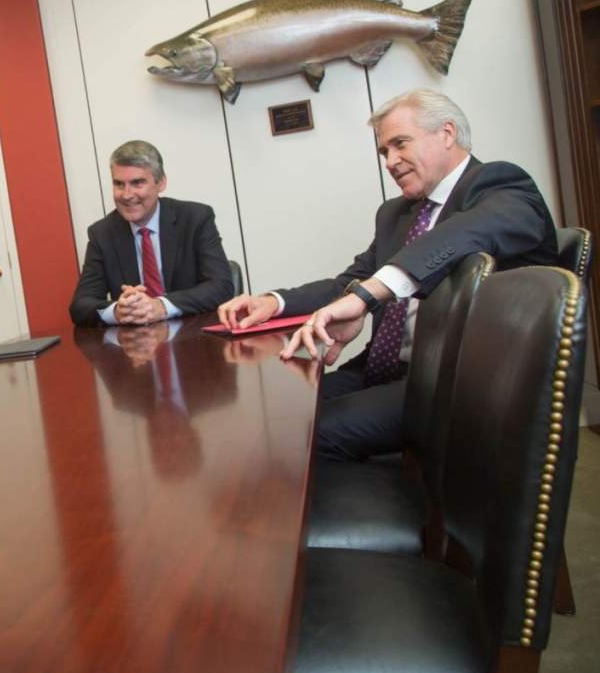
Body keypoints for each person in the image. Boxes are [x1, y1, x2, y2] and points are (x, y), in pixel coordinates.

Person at [217, 89, 557, 461]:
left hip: (457, 386)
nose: (391, 161)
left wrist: (370, 294)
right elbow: (347, 282)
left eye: (400, 144)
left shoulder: (498, 184)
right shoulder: (396, 214)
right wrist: (273, 301)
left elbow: (465, 233)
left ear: (446, 133)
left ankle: (357, 519)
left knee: (305, 435)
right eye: (384, 152)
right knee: (275, 416)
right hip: (384, 369)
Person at [69, 140, 234, 327]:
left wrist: (161, 306)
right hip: (137, 348)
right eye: (119, 184)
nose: (127, 194)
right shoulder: (102, 233)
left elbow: (222, 287)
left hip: (195, 337)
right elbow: (80, 306)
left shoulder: (195, 218)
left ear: (161, 183)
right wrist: (117, 311)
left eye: (137, 183)